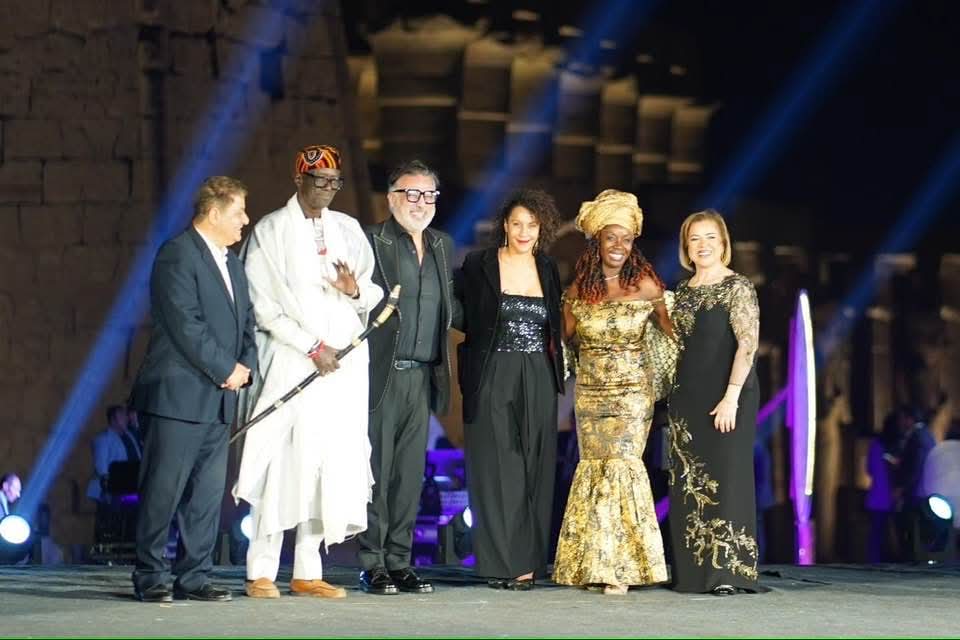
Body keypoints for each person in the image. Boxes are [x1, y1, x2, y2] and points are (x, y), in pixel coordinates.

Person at [235, 145, 382, 600]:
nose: (329, 189)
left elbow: (372, 294)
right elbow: (262, 306)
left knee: (327, 464)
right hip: (291, 362)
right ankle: (261, 569)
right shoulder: (270, 231)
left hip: (343, 370)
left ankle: (307, 570)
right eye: (321, 180)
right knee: (280, 463)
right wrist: (312, 346)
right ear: (299, 180)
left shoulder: (348, 229)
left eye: (336, 181)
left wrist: (353, 290)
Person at [128, 176, 257, 603]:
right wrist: (226, 368)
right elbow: (185, 323)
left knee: (205, 495)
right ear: (214, 212)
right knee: (163, 490)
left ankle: (194, 576)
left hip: (219, 400)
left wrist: (244, 368)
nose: (245, 220)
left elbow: (247, 323)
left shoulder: (232, 263)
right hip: (177, 397)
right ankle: (151, 575)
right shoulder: (177, 254)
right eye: (238, 211)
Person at [552, 189, 678, 596]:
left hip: (632, 395)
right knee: (594, 468)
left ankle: (621, 568)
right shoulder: (578, 291)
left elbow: (676, 335)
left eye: (626, 238)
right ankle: (592, 564)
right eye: (611, 237)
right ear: (598, 241)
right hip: (590, 394)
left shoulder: (646, 285)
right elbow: (559, 342)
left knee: (622, 466)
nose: (619, 245)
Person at [360, 159, 463, 595]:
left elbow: (452, 306)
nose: (420, 203)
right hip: (381, 375)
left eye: (429, 195)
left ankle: (400, 561)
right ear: (392, 198)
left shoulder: (441, 244)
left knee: (408, 475)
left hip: (422, 377)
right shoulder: (372, 241)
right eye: (411, 193)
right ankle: (373, 562)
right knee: (377, 472)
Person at [455, 188, 565, 590]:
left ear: (541, 228)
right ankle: (502, 563)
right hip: (492, 368)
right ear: (504, 224)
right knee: (498, 464)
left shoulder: (548, 267)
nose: (523, 231)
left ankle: (528, 561)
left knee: (534, 464)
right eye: (516, 223)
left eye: (531, 225)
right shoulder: (479, 264)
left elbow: (555, 324)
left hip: (538, 372)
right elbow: (456, 311)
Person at [667, 209, 766, 595]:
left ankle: (728, 572)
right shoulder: (681, 292)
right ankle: (693, 572)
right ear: (686, 247)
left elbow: (747, 345)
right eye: (695, 238)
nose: (702, 245)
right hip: (686, 399)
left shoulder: (737, 287)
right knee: (688, 481)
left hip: (728, 395)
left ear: (723, 244)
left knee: (727, 478)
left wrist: (731, 398)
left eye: (710, 237)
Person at [865, 409, 908, 562]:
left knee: (877, 534)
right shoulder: (900, 445)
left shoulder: (875, 445)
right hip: (894, 495)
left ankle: (874, 562)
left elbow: (869, 469)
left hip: (877, 496)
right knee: (899, 534)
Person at [87, 405, 142, 504]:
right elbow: (101, 467)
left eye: (126, 416)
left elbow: (140, 447)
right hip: (113, 493)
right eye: (122, 416)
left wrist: (135, 423)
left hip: (129, 488)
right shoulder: (103, 439)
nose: (126, 418)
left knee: (138, 501)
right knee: (130, 502)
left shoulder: (129, 435)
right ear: (113, 420)